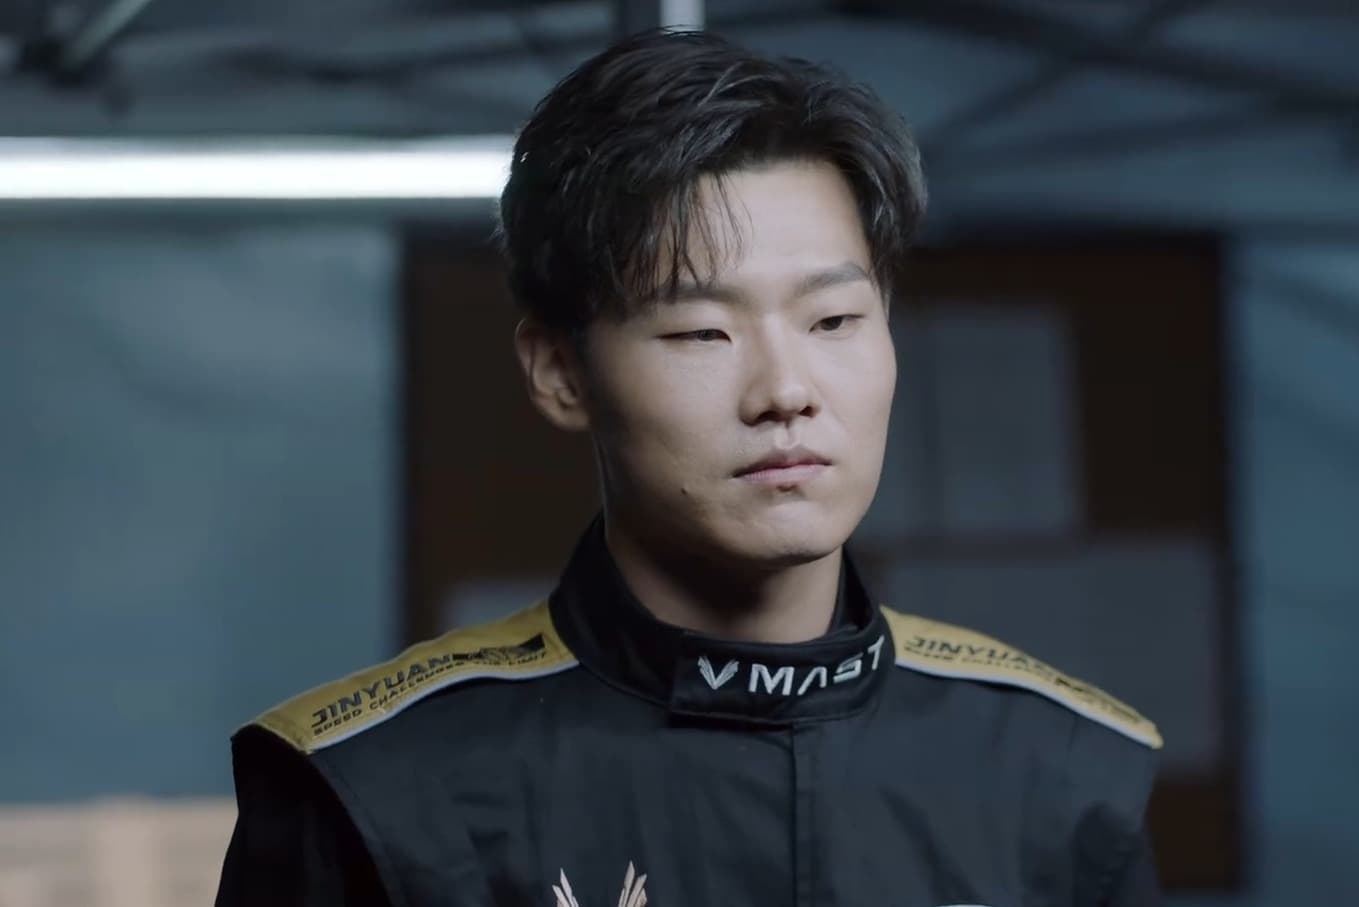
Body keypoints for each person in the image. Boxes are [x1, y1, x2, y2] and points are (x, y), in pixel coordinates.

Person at [215, 27, 1163, 907]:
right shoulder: (371, 790)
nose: (785, 390)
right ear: (559, 371)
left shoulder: (1063, 773)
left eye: (834, 320)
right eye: (702, 331)